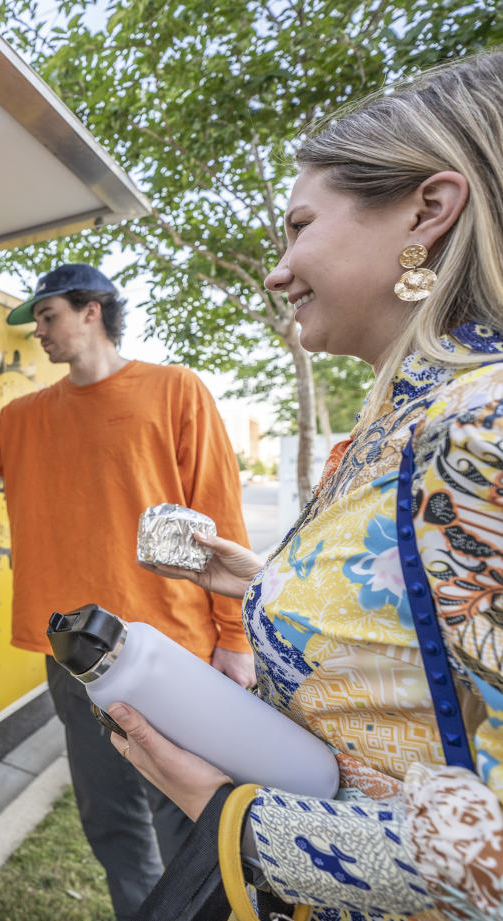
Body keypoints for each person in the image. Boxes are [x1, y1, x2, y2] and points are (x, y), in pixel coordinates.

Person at [122, 52, 503, 920]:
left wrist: (231, 816)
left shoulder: (481, 423)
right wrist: (258, 580)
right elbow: (428, 651)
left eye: (299, 227)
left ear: (428, 212)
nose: (276, 269)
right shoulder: (393, 426)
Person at [0, 263, 253, 920]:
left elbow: (219, 517)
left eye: (48, 315)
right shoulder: (25, 415)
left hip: (172, 650)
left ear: (93, 311)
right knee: (110, 821)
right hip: (73, 657)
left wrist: (236, 637)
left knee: (191, 822)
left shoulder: (176, 390)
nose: (39, 332)